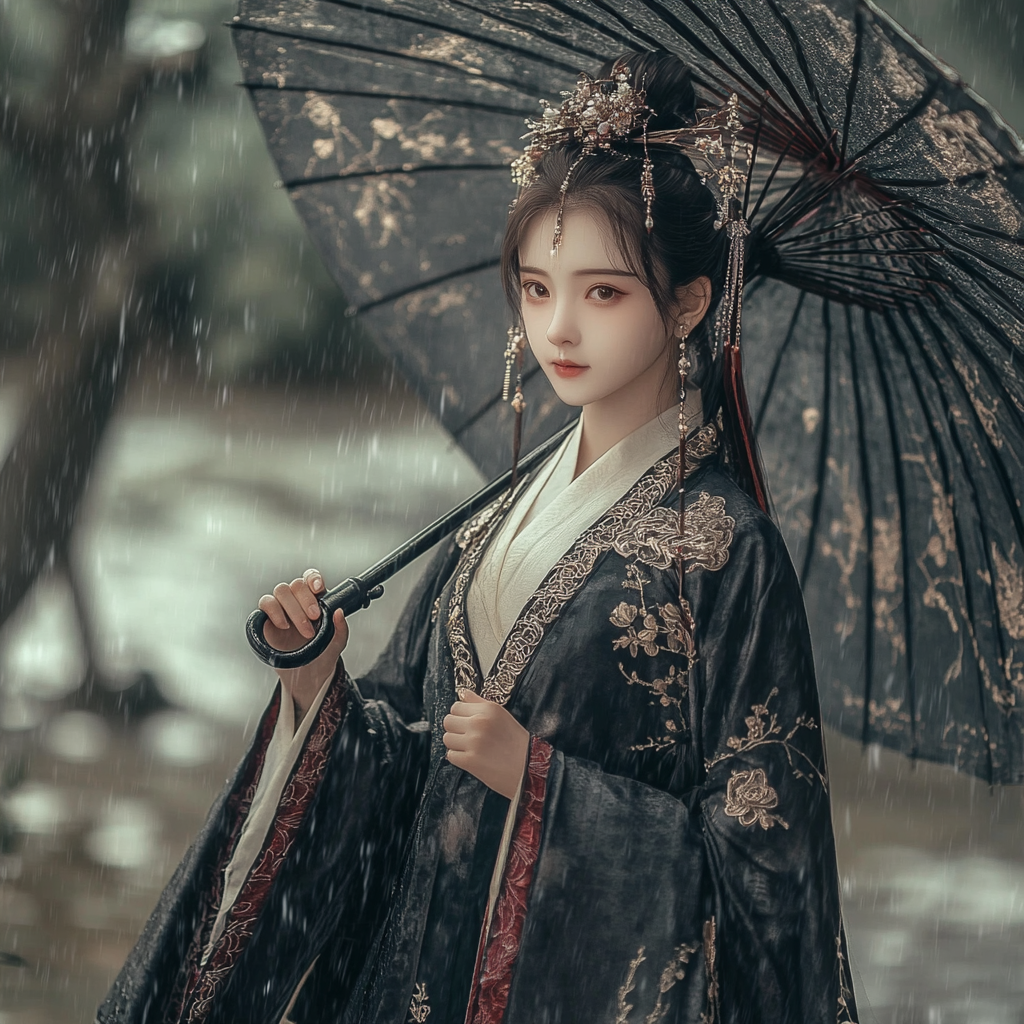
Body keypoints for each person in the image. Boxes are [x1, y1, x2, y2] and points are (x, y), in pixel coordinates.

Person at [98, 50, 857, 1024]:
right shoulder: (494, 514)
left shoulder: (727, 558)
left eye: (603, 292)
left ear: (687, 304)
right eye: (537, 289)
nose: (559, 328)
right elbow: (406, 760)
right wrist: (316, 683)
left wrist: (540, 784)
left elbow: (767, 887)